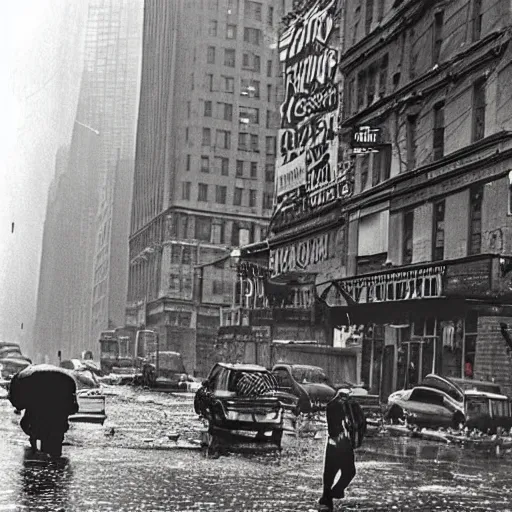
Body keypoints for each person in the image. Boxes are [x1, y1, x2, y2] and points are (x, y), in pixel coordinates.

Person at [318, 390, 366, 512]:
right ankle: (336, 491)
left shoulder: (331, 405)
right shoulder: (353, 405)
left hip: (333, 442)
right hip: (345, 443)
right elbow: (361, 423)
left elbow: (332, 427)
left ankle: (327, 498)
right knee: (349, 471)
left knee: (329, 473)